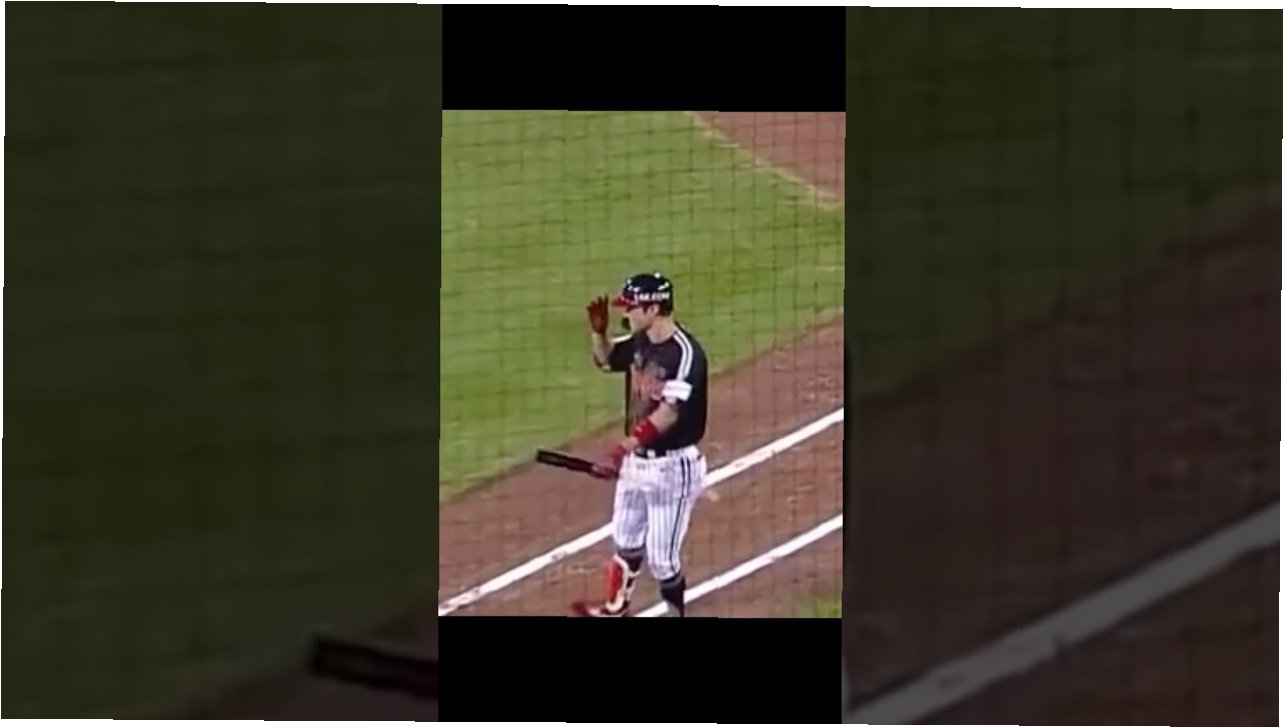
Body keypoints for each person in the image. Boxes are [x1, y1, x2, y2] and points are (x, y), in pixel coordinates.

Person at [573, 272, 710, 617]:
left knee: (662, 560)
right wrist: (599, 333)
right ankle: (616, 607)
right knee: (625, 540)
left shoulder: (686, 354)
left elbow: (668, 413)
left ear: (653, 308)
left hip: (673, 467)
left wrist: (623, 447)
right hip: (637, 461)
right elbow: (607, 360)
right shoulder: (640, 341)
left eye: (631, 307)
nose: (626, 313)